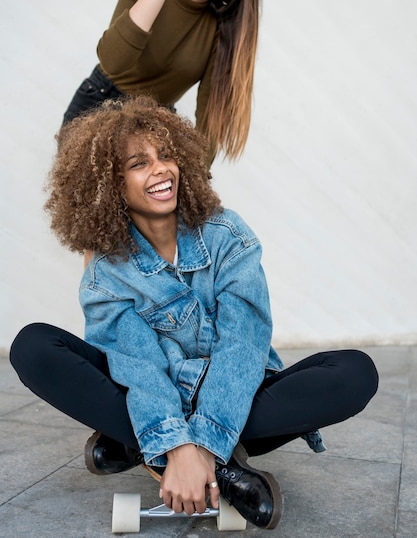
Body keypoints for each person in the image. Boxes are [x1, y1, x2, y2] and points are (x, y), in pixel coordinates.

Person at [10, 96, 379, 529]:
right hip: (153, 393)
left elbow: (243, 344)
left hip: (234, 392)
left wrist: (200, 445)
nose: (160, 169)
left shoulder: (228, 235)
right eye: (138, 163)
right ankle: (221, 470)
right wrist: (181, 448)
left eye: (166, 155)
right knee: (33, 346)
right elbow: (140, 369)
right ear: (110, 185)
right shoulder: (105, 277)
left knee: (355, 372)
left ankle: (143, 446)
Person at [62, 0, 264, 164]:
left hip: (151, 128)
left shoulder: (220, 35)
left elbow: (209, 125)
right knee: (82, 200)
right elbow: (113, 62)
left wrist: (197, 180)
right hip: (96, 106)